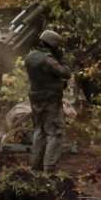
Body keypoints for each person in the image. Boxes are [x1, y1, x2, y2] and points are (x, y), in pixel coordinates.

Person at [24, 28, 71, 173]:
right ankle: (49, 169)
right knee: (55, 132)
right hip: (50, 99)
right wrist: (61, 59)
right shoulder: (48, 60)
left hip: (35, 98)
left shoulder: (30, 56)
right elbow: (66, 73)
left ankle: (35, 166)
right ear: (52, 44)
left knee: (39, 131)